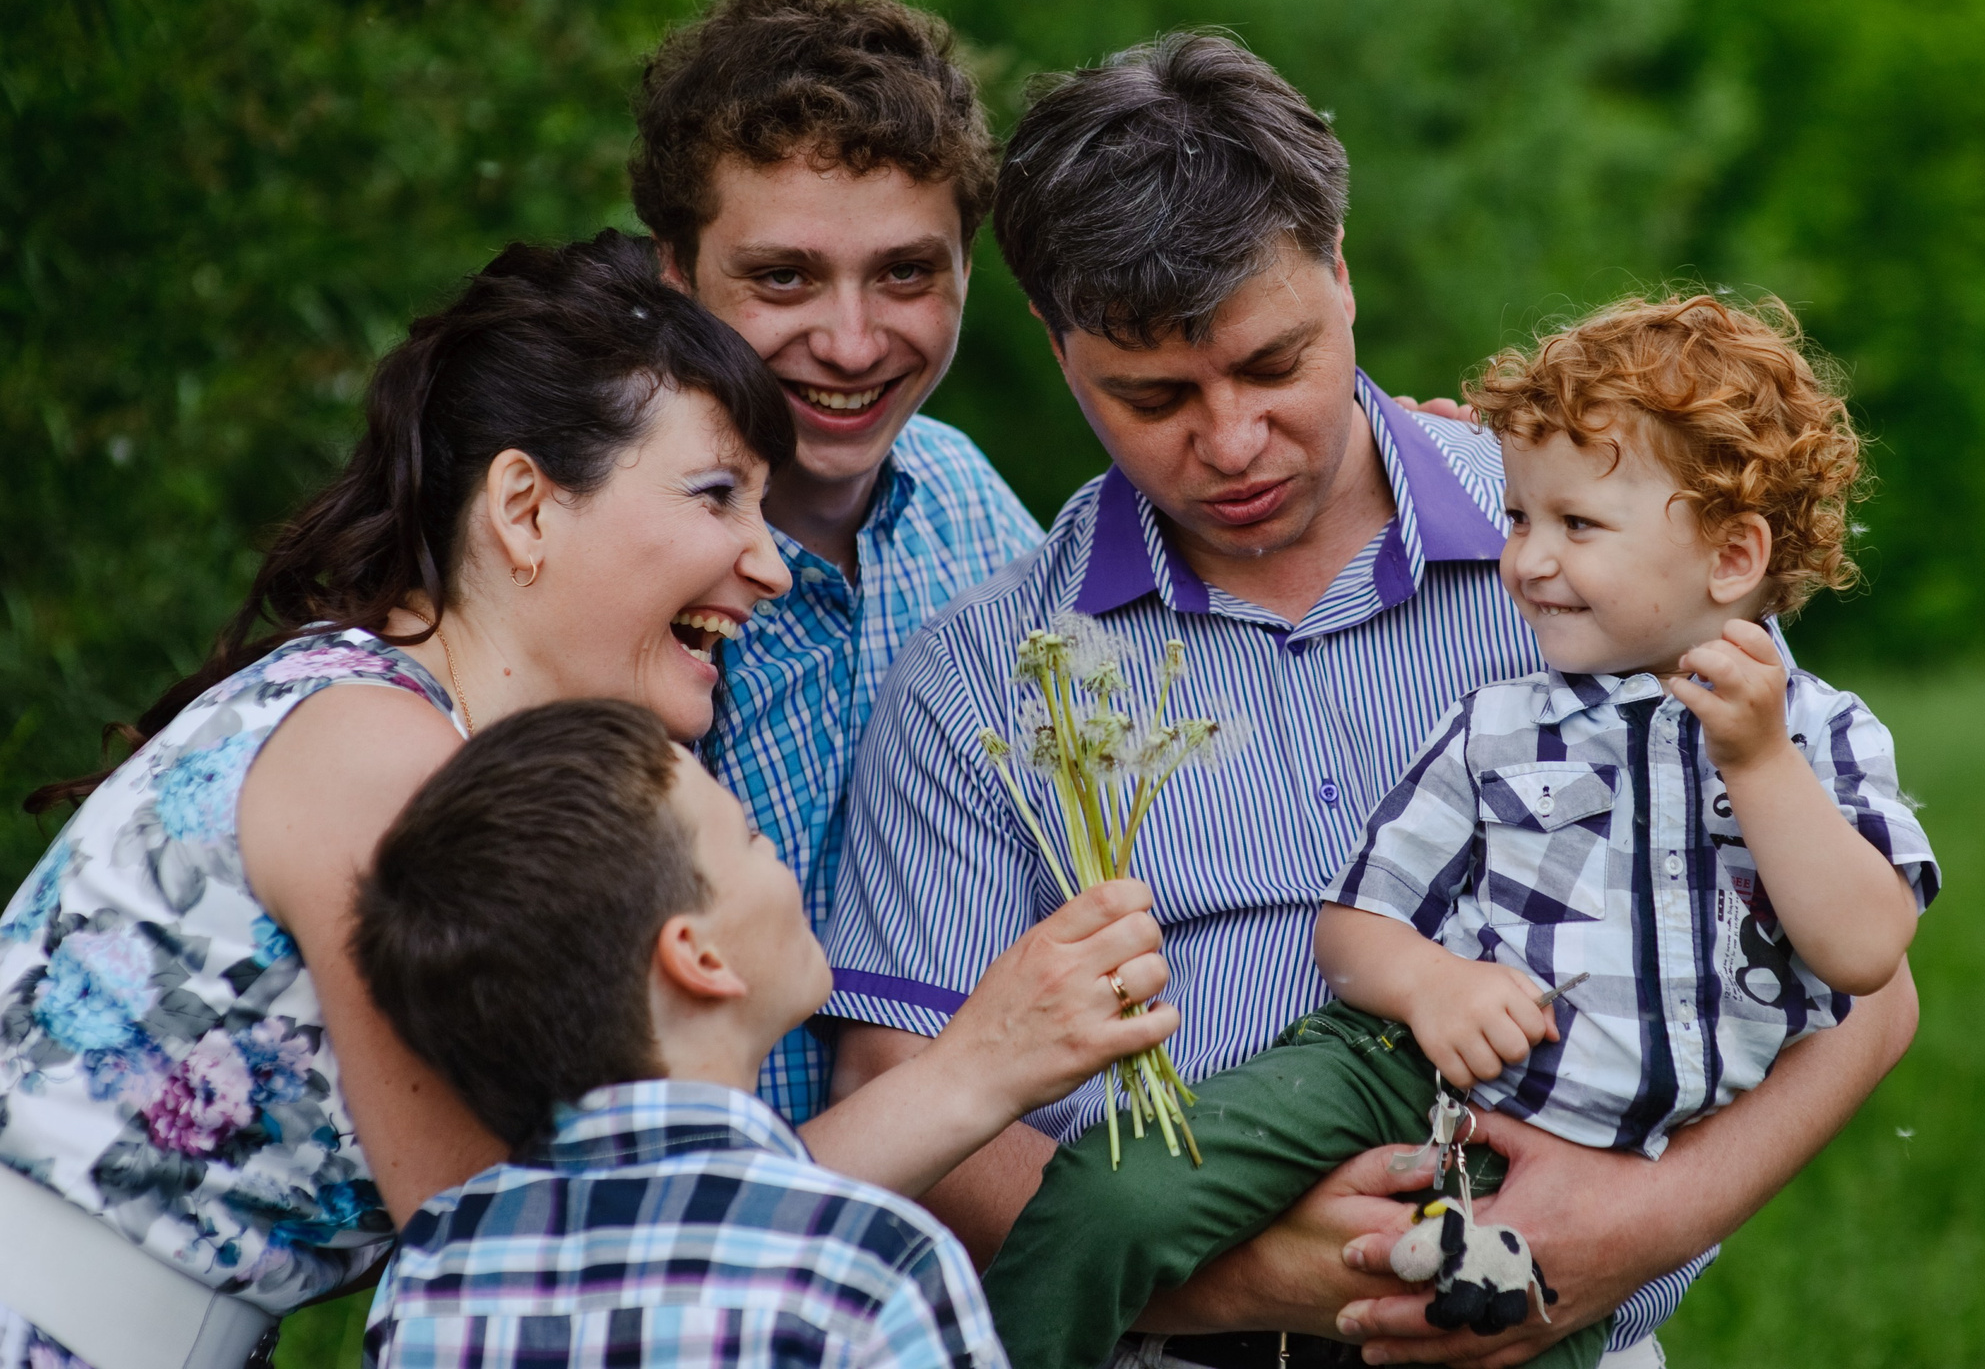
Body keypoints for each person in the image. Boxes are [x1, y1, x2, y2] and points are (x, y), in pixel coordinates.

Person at [823, 34, 1923, 1369]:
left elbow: (1863, 988)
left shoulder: (1603, 549)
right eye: (1154, 397)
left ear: (1340, 272)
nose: (1232, 442)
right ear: (1060, 353)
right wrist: (1243, 1284)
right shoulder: (982, 678)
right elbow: (904, 1096)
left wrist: (1640, 1222)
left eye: (1273, 364)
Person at [0, 234, 1162, 1369]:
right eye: (717, 495)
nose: (767, 563)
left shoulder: (432, 742)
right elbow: (573, 1263)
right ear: (524, 507)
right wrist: (973, 1071)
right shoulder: (375, 754)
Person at [977, 292, 1943, 1369]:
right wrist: (1431, 986)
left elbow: (1864, 953)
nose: (1526, 561)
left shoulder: (1820, 737)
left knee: (1502, 1335)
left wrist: (1759, 765)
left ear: (1730, 558)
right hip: (1395, 1069)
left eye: (1578, 526)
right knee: (1117, 1193)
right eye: (1520, 519)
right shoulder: (1501, 723)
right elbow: (1353, 925)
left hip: (1600, 1159)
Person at [357, 699, 1152, 1364]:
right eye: (747, 838)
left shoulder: (432, 1266)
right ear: (700, 958)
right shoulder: (868, 1261)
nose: (775, 853)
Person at [631, 0, 1045, 1126]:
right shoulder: (602, 560)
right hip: (680, 1214)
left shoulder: (965, 505)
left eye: (906, 273)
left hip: (950, 1211)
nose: (853, 344)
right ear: (676, 275)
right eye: (784, 278)